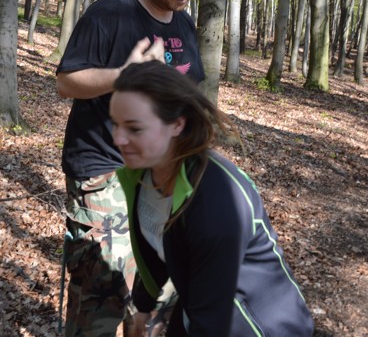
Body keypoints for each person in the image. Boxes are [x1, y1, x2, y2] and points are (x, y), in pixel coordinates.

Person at [56, 0, 205, 336]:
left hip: (160, 177)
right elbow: (66, 81)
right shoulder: (109, 15)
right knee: (104, 291)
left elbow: (190, 96)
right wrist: (124, 75)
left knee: (153, 296)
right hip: (103, 168)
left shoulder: (185, 27)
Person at [111, 61, 314, 336]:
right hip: (202, 305)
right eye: (115, 124)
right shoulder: (138, 172)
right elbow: (155, 250)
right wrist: (143, 308)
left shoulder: (217, 202)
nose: (118, 138)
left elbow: (210, 324)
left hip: (258, 325)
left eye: (134, 129)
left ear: (177, 124)